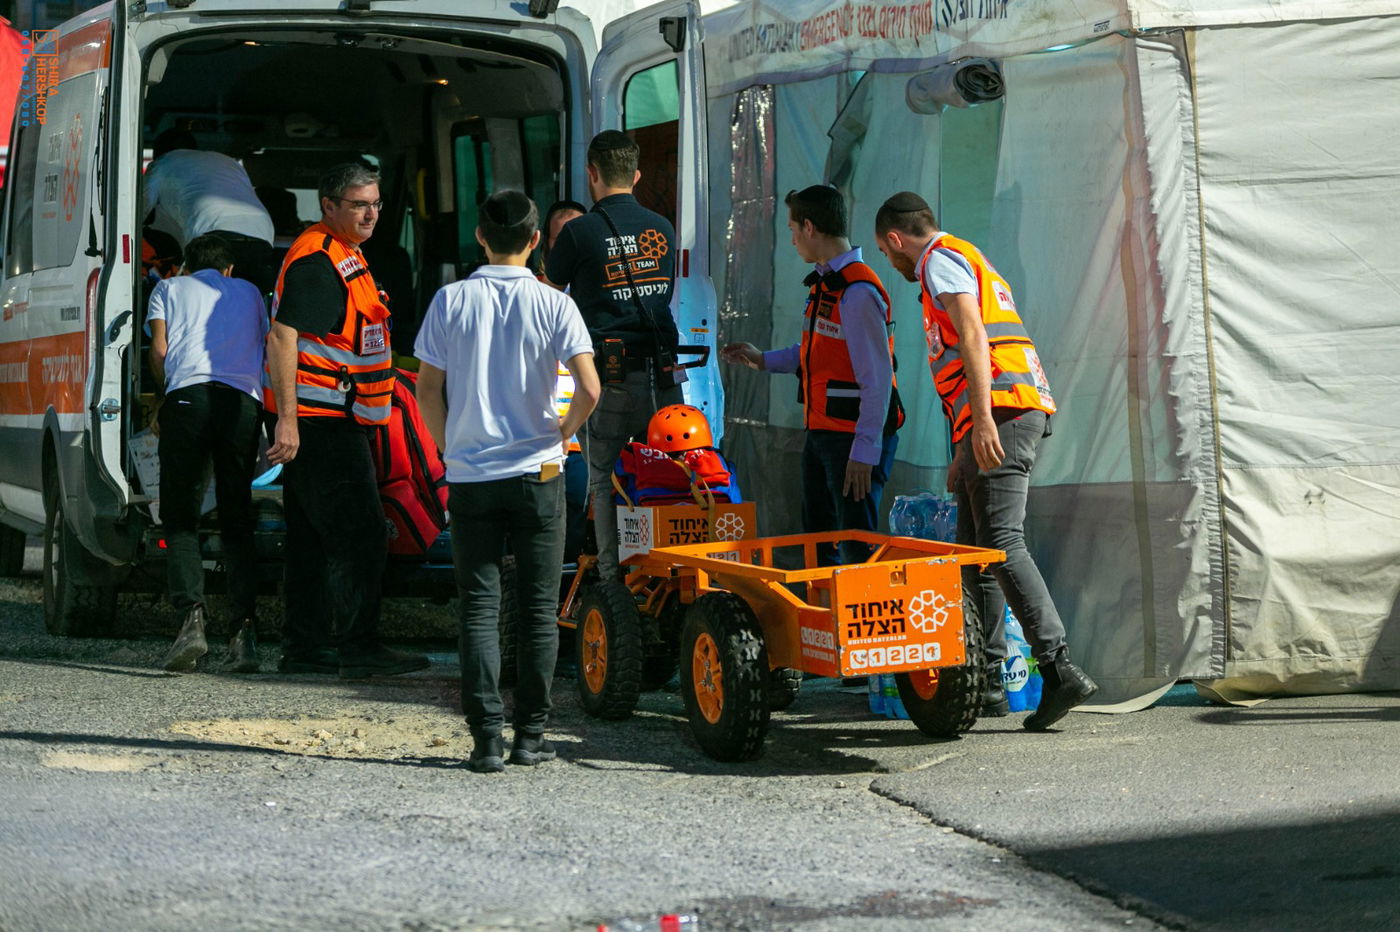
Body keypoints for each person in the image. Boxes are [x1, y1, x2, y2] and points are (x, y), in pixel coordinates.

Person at [872, 190, 1098, 731]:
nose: (889, 260)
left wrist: (982, 420)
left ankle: (1059, 666)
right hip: (995, 414)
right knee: (975, 553)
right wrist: (962, 444)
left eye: (886, 250)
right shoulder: (960, 258)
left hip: (1002, 411)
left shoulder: (939, 263)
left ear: (897, 239)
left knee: (1000, 544)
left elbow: (973, 334)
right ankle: (989, 680)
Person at [415, 190, 599, 773]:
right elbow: (591, 390)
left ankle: (486, 739)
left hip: (471, 477)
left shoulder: (450, 300)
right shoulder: (555, 304)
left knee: (478, 607)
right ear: (537, 239)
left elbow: (426, 388)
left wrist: (451, 448)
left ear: (479, 236)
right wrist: (560, 433)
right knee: (539, 609)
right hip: (539, 473)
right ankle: (531, 737)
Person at [264, 163, 429, 679]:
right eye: (359, 204)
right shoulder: (318, 261)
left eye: (376, 203)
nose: (371, 213)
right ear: (328, 205)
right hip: (321, 422)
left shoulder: (344, 253)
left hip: (335, 418)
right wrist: (287, 422)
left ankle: (306, 646)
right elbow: (282, 337)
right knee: (360, 535)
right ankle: (358, 646)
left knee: (312, 538)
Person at [721, 185, 902, 566]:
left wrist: (864, 450)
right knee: (819, 541)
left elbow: (878, 378)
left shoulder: (857, 292)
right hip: (824, 433)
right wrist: (763, 360)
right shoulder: (825, 284)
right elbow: (817, 355)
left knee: (855, 546)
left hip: (852, 440)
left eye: (791, 230)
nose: (791, 240)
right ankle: (824, 620)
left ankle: (861, 624)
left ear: (809, 227)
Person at [544, 131, 681, 583]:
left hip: (610, 377)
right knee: (665, 474)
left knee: (604, 479)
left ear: (592, 174)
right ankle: (665, 571)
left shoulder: (578, 233)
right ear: (637, 176)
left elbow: (550, 298)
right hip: (665, 378)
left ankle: (612, 583)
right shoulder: (662, 228)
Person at [147, 233, 267, 673]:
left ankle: (191, 621)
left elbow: (159, 350)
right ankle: (244, 634)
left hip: (188, 400)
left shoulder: (169, 287)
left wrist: (164, 396)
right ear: (229, 269)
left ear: (186, 265)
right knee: (237, 517)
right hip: (241, 404)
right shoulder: (251, 291)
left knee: (181, 513)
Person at [144, 129, 277, 296]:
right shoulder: (228, 162)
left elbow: (138, 213)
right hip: (261, 233)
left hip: (214, 236)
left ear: (158, 152)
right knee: (252, 301)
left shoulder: (162, 163)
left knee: (205, 306)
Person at [536, 199, 590, 560]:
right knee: (543, 523)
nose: (570, 246)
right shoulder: (534, 297)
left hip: (585, 437)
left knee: (577, 523)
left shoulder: (600, 298)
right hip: (543, 438)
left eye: (578, 236)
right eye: (561, 238)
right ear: (545, 245)